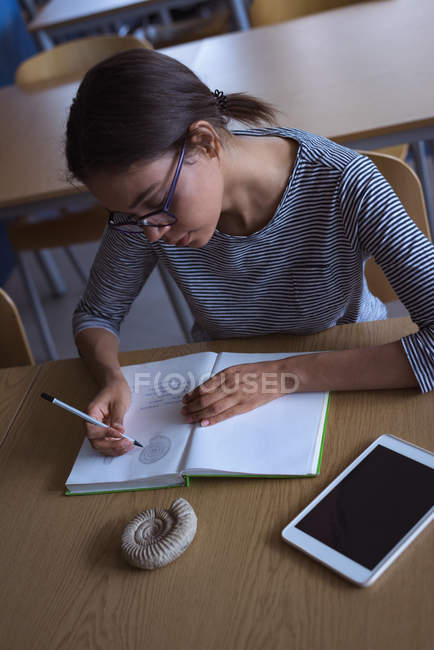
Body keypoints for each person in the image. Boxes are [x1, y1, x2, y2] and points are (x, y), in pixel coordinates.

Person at [66, 48, 434, 457]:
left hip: (348, 371)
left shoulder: (344, 183)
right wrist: (111, 376)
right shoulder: (145, 213)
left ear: (205, 143)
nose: (151, 234)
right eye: (128, 216)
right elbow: (97, 314)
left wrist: (282, 375)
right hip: (225, 391)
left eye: (155, 203)